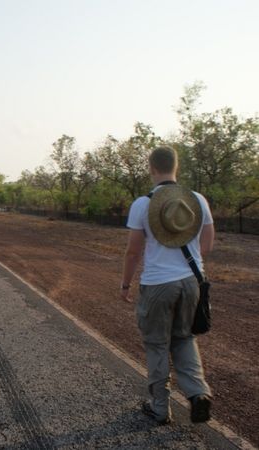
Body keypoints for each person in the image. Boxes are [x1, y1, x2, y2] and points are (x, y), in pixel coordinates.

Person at [120, 146, 214, 425]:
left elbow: (133, 251)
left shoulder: (143, 204)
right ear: (177, 165)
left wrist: (125, 284)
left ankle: (160, 408)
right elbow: (206, 245)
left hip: (158, 283)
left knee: (157, 344)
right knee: (184, 337)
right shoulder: (197, 200)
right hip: (191, 281)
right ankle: (198, 394)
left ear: (151, 168)